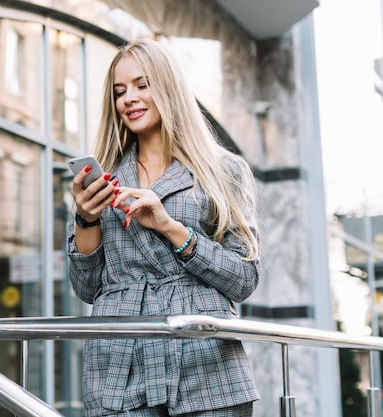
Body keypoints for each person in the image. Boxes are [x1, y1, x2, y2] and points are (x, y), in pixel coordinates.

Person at [66, 38, 261, 417]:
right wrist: (86, 217)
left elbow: (244, 279)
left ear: (168, 87)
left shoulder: (223, 172)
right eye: (119, 91)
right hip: (119, 365)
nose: (129, 99)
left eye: (142, 85)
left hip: (204, 363)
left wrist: (171, 228)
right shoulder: (102, 178)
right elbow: (88, 289)